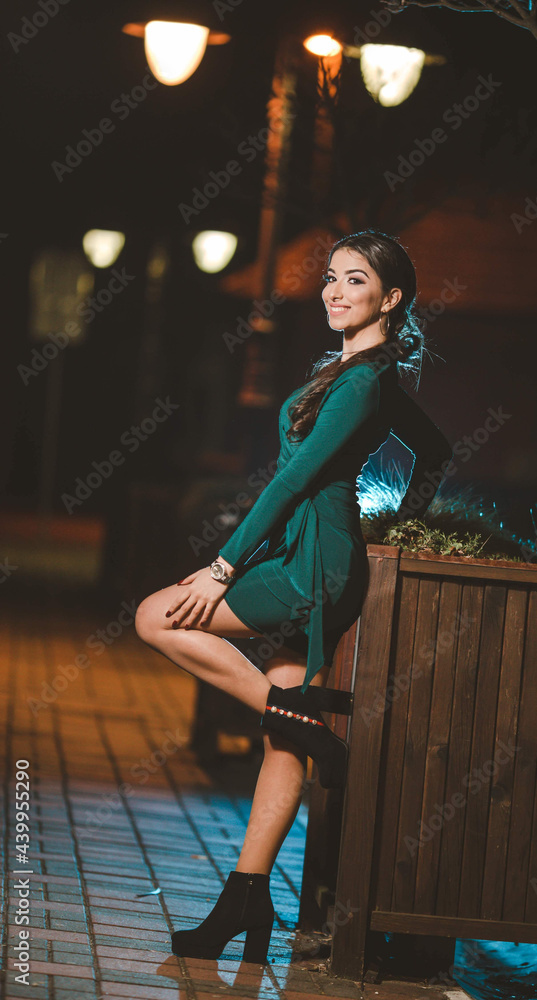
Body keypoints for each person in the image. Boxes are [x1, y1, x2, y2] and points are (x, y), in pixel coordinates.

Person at [134, 229, 452, 964]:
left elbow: (295, 479)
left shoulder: (367, 381)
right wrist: (392, 517)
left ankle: (307, 729)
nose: (335, 292)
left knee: (156, 615)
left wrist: (221, 567)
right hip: (309, 550)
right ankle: (244, 899)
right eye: (331, 279)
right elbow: (432, 453)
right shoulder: (354, 373)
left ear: (391, 298)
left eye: (356, 281)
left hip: (314, 562)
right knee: (283, 729)